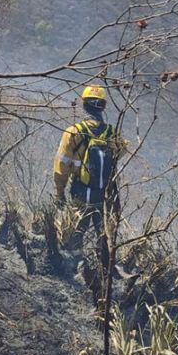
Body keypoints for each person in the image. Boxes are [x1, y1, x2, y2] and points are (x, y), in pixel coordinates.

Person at [52, 85, 121, 265]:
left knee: (76, 232)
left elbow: (61, 166)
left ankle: (75, 266)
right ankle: (104, 269)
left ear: (83, 104)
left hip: (81, 191)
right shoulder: (112, 133)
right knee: (104, 234)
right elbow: (120, 154)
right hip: (105, 193)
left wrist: (59, 193)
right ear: (103, 107)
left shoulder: (73, 132)